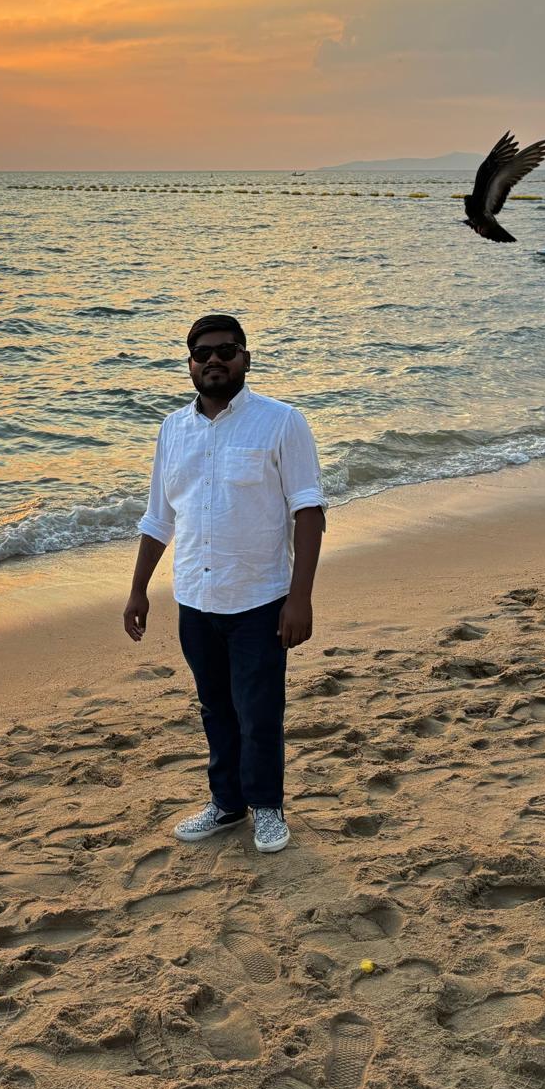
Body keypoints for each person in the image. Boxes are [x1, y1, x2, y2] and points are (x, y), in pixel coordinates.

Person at [123, 315, 327, 854]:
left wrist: (300, 597)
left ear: (245, 358)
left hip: (260, 597)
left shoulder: (281, 422)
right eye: (202, 353)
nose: (214, 361)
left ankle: (267, 809)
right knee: (215, 708)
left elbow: (308, 511)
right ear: (189, 363)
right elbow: (158, 517)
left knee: (259, 710)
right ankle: (227, 803)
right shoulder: (173, 429)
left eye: (226, 352)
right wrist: (138, 589)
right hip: (194, 597)